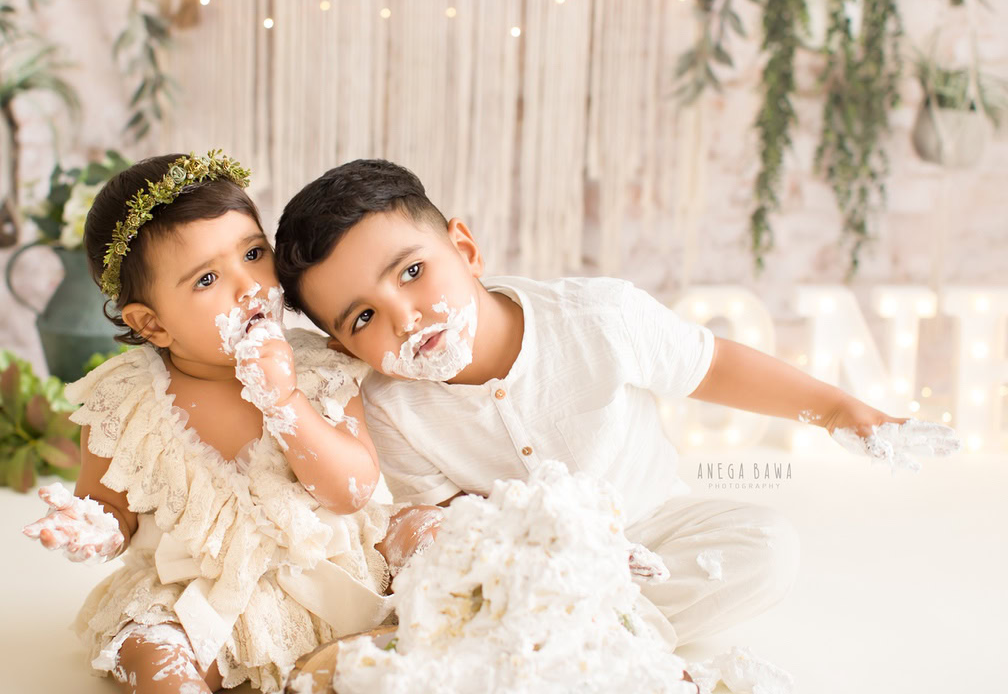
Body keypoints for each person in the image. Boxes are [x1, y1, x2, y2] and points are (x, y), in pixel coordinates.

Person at [272, 158, 916, 651]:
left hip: (651, 523)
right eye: (364, 317)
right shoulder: (387, 404)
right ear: (342, 342)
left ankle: (581, 642)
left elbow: (712, 364)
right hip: (528, 561)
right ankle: (578, 638)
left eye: (412, 272)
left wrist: (835, 409)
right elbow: (444, 515)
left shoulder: (598, 316)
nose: (406, 317)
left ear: (464, 249)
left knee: (767, 547)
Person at [22, 152, 418, 693]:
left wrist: (285, 401)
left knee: (428, 529)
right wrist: (97, 526)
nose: (248, 284)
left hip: (335, 570)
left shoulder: (318, 367)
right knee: (151, 648)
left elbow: (352, 490)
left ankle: (435, 639)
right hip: (200, 595)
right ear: (152, 323)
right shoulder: (123, 401)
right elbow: (109, 504)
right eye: (207, 278)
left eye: (254, 253)